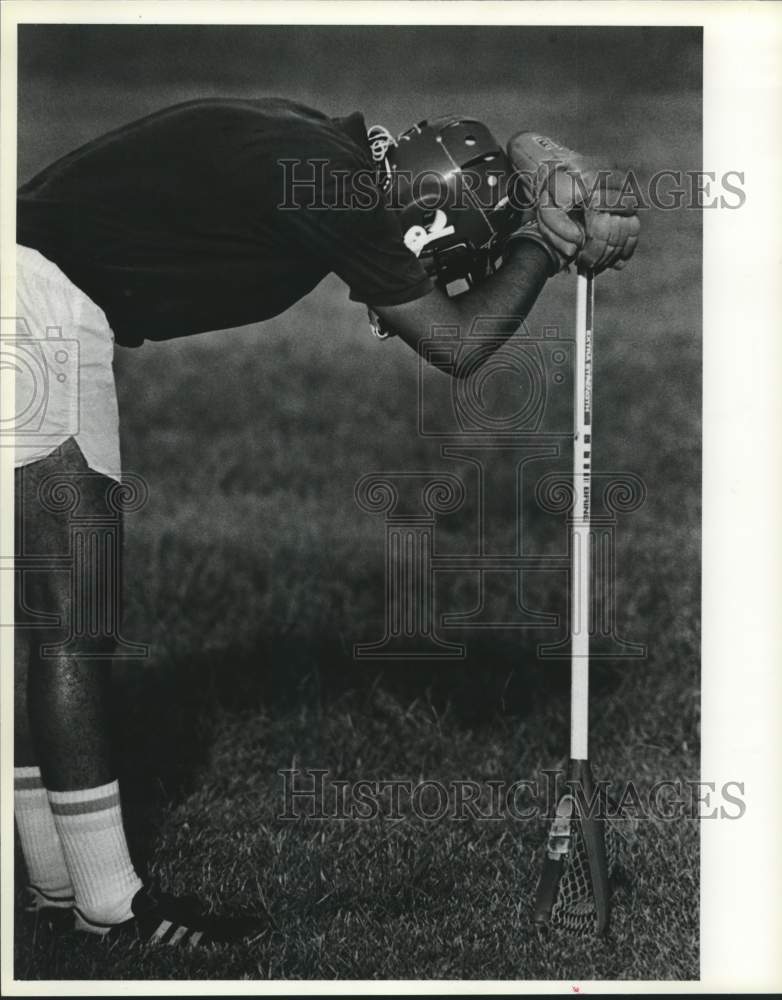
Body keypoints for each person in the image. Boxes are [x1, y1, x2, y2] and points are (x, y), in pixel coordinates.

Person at [13, 97, 639, 947]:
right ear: (422, 224)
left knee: (46, 612)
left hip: (29, 285)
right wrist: (542, 244)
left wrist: (530, 167)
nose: (384, 302)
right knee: (71, 619)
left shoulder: (328, 151)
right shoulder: (343, 191)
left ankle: (55, 886)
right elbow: (458, 344)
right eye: (435, 261)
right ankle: (108, 908)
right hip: (35, 303)